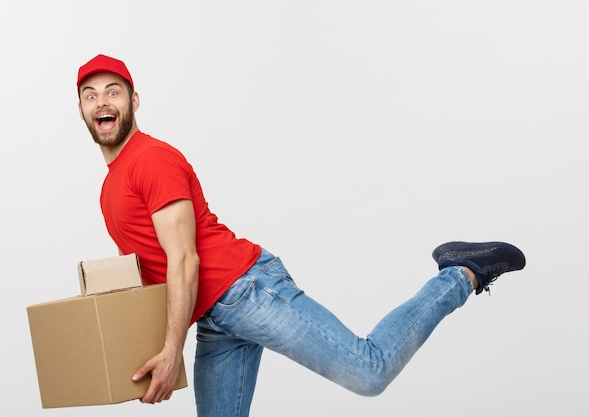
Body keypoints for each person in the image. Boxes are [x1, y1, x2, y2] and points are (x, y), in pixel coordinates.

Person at [76, 54, 526, 417]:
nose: (102, 102)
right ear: (81, 110)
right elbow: (145, 276)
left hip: (245, 290)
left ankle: (460, 272)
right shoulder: (109, 185)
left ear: (134, 99)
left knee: (369, 372)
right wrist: (131, 350)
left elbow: (184, 260)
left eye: (112, 91)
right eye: (90, 95)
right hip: (215, 318)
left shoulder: (151, 159)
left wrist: (171, 349)